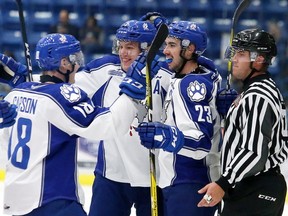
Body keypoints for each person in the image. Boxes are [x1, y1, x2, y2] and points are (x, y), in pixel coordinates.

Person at [0, 33, 155, 216]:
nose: (78, 64)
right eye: (75, 58)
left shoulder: (15, 94)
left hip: (15, 201)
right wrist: (131, 92)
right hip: (53, 201)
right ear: (64, 63)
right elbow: (107, 125)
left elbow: (4, 153)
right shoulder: (63, 96)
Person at [76, 19, 171, 216]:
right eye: (120, 46)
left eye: (129, 47)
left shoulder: (166, 76)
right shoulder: (105, 69)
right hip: (111, 175)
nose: (122, 53)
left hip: (153, 176)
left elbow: (198, 68)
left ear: (146, 49)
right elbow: (65, 87)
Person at [197, 29, 288, 216]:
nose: (234, 59)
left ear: (259, 59)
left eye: (241, 54)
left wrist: (223, 183)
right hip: (253, 187)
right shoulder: (258, 91)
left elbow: (253, 152)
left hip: (256, 188)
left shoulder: (257, 96)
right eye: (235, 53)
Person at [136, 20, 223, 216]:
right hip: (177, 183)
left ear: (190, 49)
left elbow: (201, 143)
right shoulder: (182, 79)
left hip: (190, 184)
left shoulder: (191, 85)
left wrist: (167, 137)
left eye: (172, 45)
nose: (165, 51)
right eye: (166, 44)